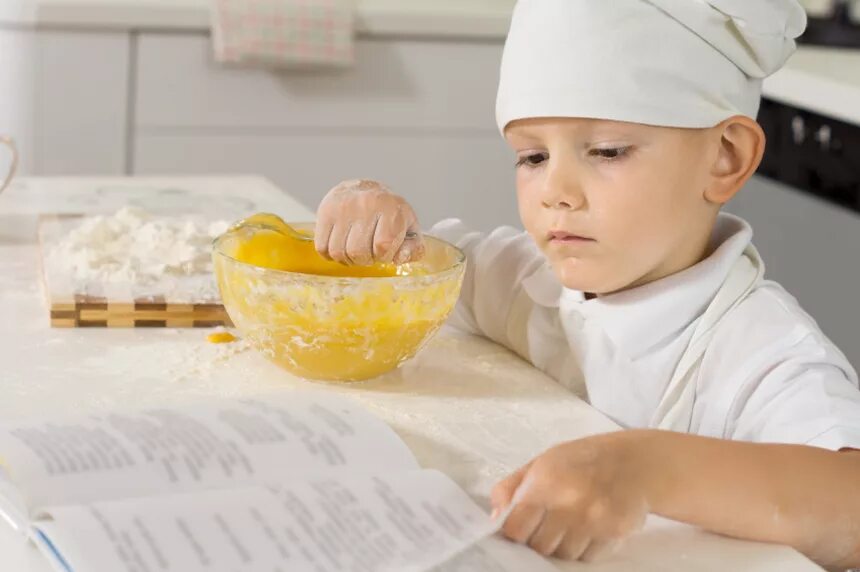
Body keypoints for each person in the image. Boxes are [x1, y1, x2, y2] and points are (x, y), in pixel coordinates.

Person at [312, 0, 860, 567]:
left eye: (606, 151)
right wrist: (365, 213)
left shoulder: (760, 352)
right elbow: (405, 265)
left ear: (725, 157)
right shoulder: (521, 279)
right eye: (532, 156)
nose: (557, 191)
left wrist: (640, 469)